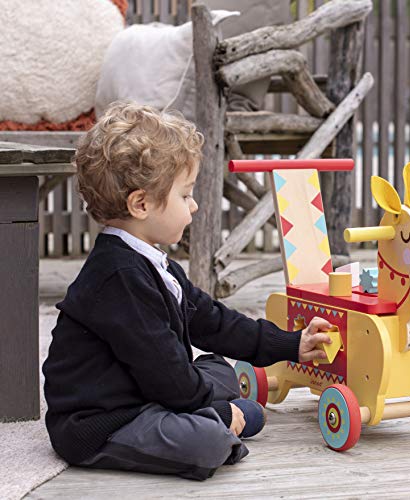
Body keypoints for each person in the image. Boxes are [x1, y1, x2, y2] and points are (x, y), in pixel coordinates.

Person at [42, 102, 333, 481]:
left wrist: (291, 345)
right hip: (103, 419)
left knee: (218, 367)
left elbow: (214, 322)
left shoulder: (154, 265)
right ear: (141, 204)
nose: (194, 206)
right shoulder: (119, 278)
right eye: (185, 195)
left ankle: (211, 413)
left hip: (145, 387)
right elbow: (164, 372)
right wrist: (222, 413)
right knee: (208, 442)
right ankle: (217, 423)